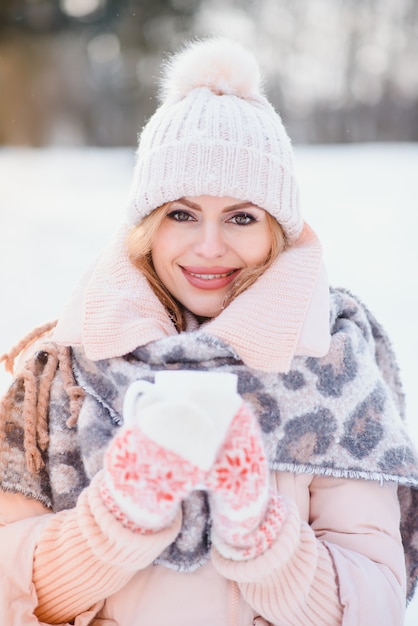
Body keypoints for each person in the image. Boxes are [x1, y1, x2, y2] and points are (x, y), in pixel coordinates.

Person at [0, 37, 418, 626]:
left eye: (242, 217)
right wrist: (113, 523)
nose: (210, 247)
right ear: (145, 225)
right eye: (181, 214)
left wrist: (265, 536)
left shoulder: (334, 367)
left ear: (279, 230)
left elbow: (376, 608)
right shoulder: (65, 371)